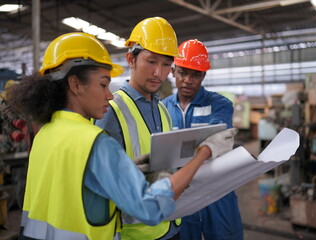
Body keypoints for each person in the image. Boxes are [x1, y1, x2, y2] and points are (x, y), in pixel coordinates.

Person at [7, 32, 237, 240]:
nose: (109, 95)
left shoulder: (46, 133)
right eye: (104, 84)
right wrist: (203, 152)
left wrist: (122, 172)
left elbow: (73, 191)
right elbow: (149, 207)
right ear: (75, 84)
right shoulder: (94, 141)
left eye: (167, 64)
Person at [95, 16, 185, 240]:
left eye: (166, 64)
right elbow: (105, 184)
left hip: (171, 224)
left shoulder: (163, 109)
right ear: (131, 59)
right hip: (137, 233)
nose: (159, 73)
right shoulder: (111, 111)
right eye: (152, 61)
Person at [162, 39, 244, 240]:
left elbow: (218, 135)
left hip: (217, 191)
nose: (188, 80)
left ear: (203, 75)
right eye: (183, 73)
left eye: (195, 75)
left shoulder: (219, 104)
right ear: (173, 71)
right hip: (182, 192)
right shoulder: (162, 108)